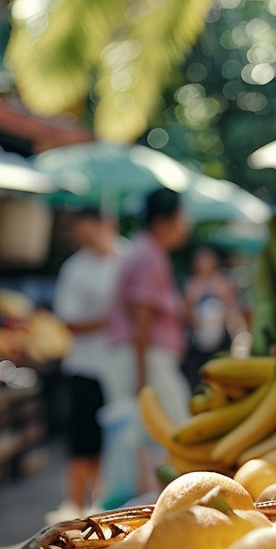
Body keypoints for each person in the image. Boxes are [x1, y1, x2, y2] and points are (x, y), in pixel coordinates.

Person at [104, 188, 192, 494]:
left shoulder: (146, 251)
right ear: (164, 220)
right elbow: (141, 317)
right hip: (147, 359)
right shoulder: (148, 255)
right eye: (182, 216)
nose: (185, 224)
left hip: (145, 357)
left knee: (155, 439)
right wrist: (141, 377)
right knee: (175, 434)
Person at [51, 209, 127, 516]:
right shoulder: (75, 268)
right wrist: (108, 320)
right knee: (83, 444)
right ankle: (77, 508)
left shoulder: (127, 257)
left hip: (118, 369)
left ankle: (102, 504)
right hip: (85, 367)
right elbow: (67, 320)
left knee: (114, 442)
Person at [182, 243, 244, 387]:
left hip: (221, 341)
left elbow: (233, 310)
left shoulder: (223, 284)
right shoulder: (192, 285)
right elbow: (186, 312)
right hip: (197, 344)